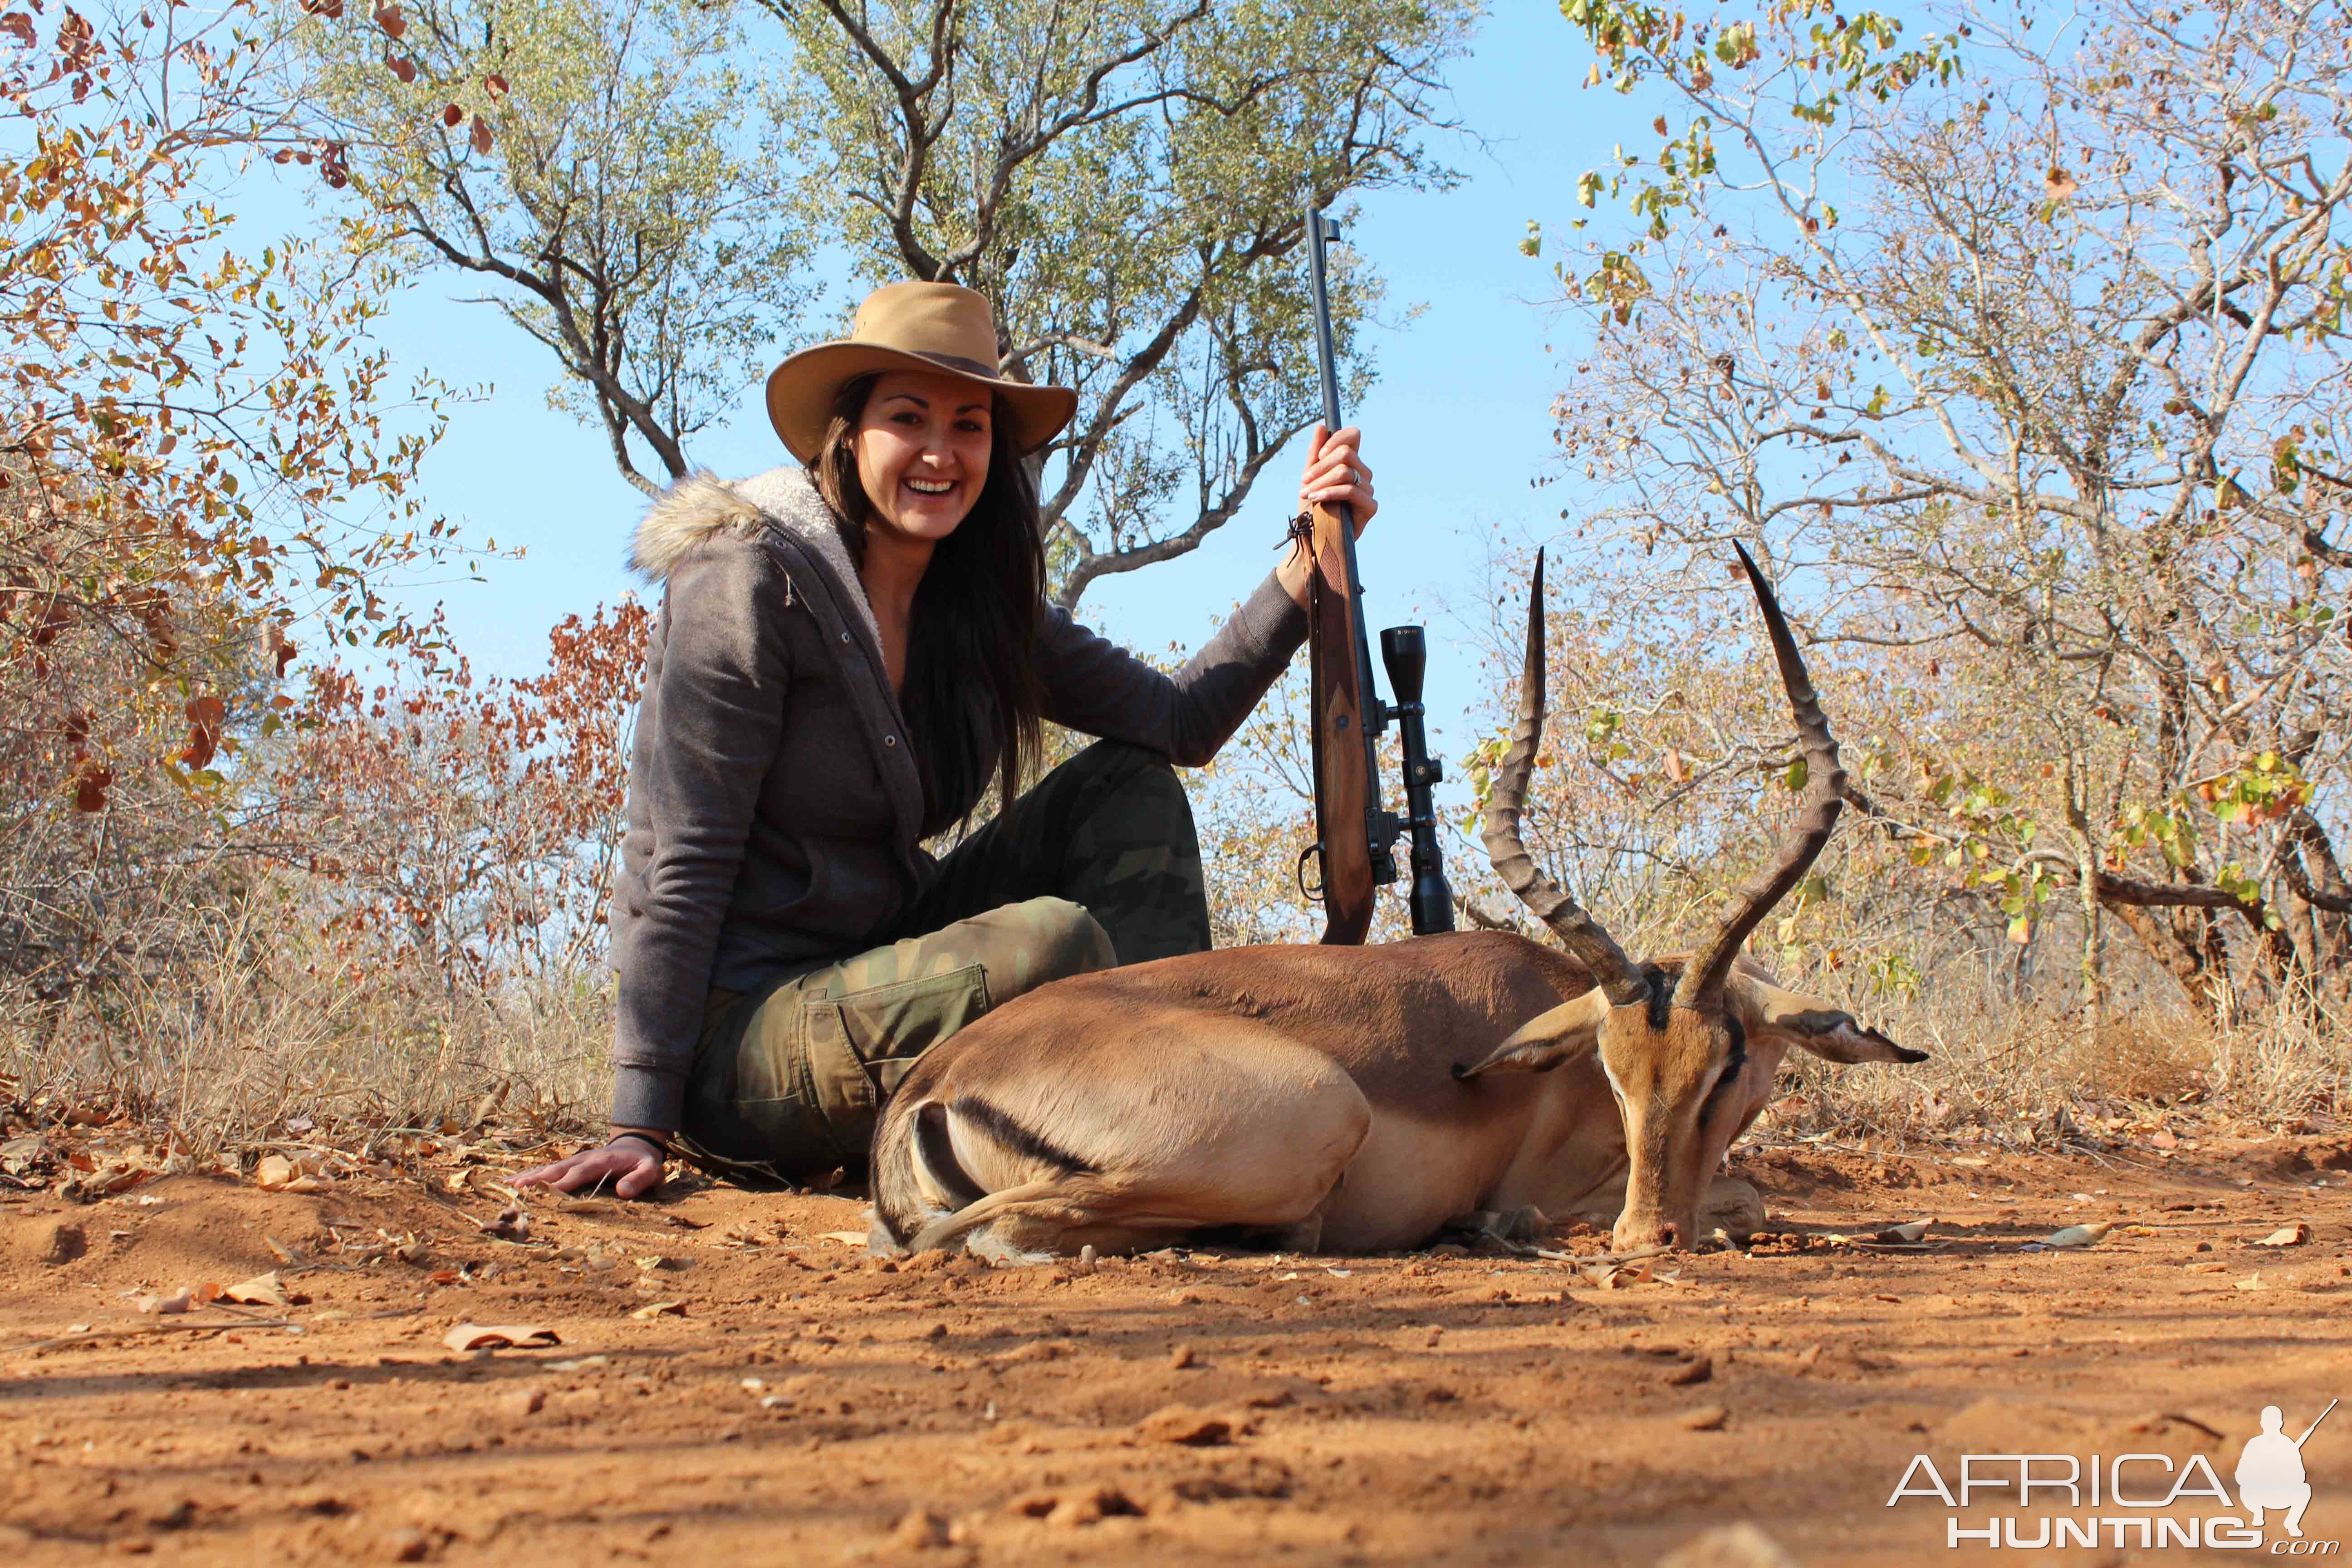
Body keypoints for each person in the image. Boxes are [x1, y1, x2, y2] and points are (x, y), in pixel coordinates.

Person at [516, 280, 1376, 1199]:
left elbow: (1178, 723)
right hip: (740, 1048)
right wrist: (640, 1117)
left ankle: (1207, 1117)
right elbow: (681, 854)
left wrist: (1310, 552)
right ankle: (1159, 1132)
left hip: (877, 963)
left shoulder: (974, 602)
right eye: (908, 418)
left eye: (970, 426)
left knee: (1133, 784)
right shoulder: (749, 578)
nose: (940, 453)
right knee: (1053, 946)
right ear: (848, 433)